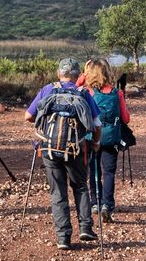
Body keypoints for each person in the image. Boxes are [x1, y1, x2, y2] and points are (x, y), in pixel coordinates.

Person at [24, 58, 101, 250]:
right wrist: (95, 143)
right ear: (77, 77)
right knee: (80, 186)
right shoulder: (83, 93)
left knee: (57, 192)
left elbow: (28, 116)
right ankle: (85, 228)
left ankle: (63, 237)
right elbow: (97, 124)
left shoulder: (48, 89)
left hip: (49, 149)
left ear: (59, 74)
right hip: (77, 149)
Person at [81, 59, 130, 223]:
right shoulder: (117, 93)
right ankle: (107, 205)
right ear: (107, 72)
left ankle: (95, 202)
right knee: (109, 173)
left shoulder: (88, 92)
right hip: (112, 138)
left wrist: (84, 72)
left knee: (94, 170)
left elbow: (74, 88)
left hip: (92, 137)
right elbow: (126, 118)